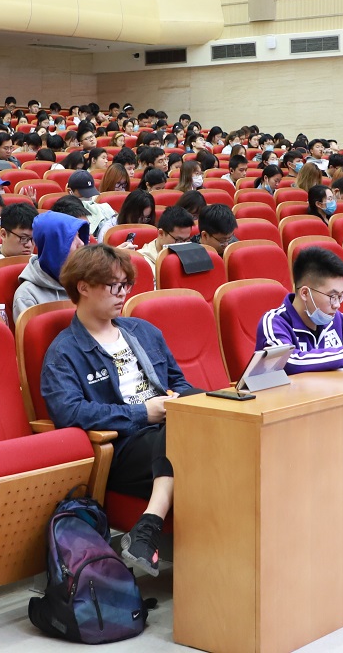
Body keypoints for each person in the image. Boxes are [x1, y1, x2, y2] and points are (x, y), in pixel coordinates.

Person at [41, 243, 200, 576]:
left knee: (215, 416)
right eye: (113, 286)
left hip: (169, 428)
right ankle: (151, 528)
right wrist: (143, 412)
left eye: (126, 285)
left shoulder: (144, 331)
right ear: (83, 287)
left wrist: (183, 401)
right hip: (124, 446)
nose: (123, 294)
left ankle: (149, 529)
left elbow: (179, 383)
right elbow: (70, 413)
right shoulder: (64, 352)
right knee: (183, 436)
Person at [255, 247, 343, 372]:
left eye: (340, 296)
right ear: (305, 293)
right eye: (332, 296)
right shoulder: (275, 322)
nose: (337, 305)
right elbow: (287, 361)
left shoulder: (335, 318)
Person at [12, 210, 89, 320]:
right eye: (72, 238)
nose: (81, 244)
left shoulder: (88, 280)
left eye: (79, 236)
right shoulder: (27, 295)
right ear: (54, 246)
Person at [136, 205, 196, 275]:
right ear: (161, 233)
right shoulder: (143, 261)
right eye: (179, 240)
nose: (183, 245)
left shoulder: (192, 256)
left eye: (187, 240)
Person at [67, 169, 116, 242]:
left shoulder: (102, 208)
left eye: (90, 193)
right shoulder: (65, 213)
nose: (88, 197)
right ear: (70, 191)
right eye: (83, 194)